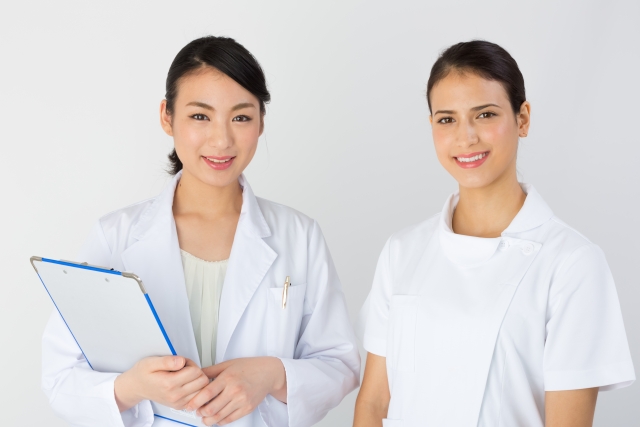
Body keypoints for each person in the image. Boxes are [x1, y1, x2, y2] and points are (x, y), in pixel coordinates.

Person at [41, 36, 360, 427]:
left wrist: (272, 374)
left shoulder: (300, 235)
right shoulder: (116, 236)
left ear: (261, 122)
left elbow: (339, 364)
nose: (221, 140)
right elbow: (60, 378)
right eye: (200, 116)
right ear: (167, 117)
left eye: (241, 117)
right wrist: (132, 387)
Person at [353, 40, 635, 427]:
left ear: (523, 119)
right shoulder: (402, 252)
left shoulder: (571, 264)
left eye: (485, 114)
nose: (466, 137)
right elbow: (374, 403)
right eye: (447, 119)